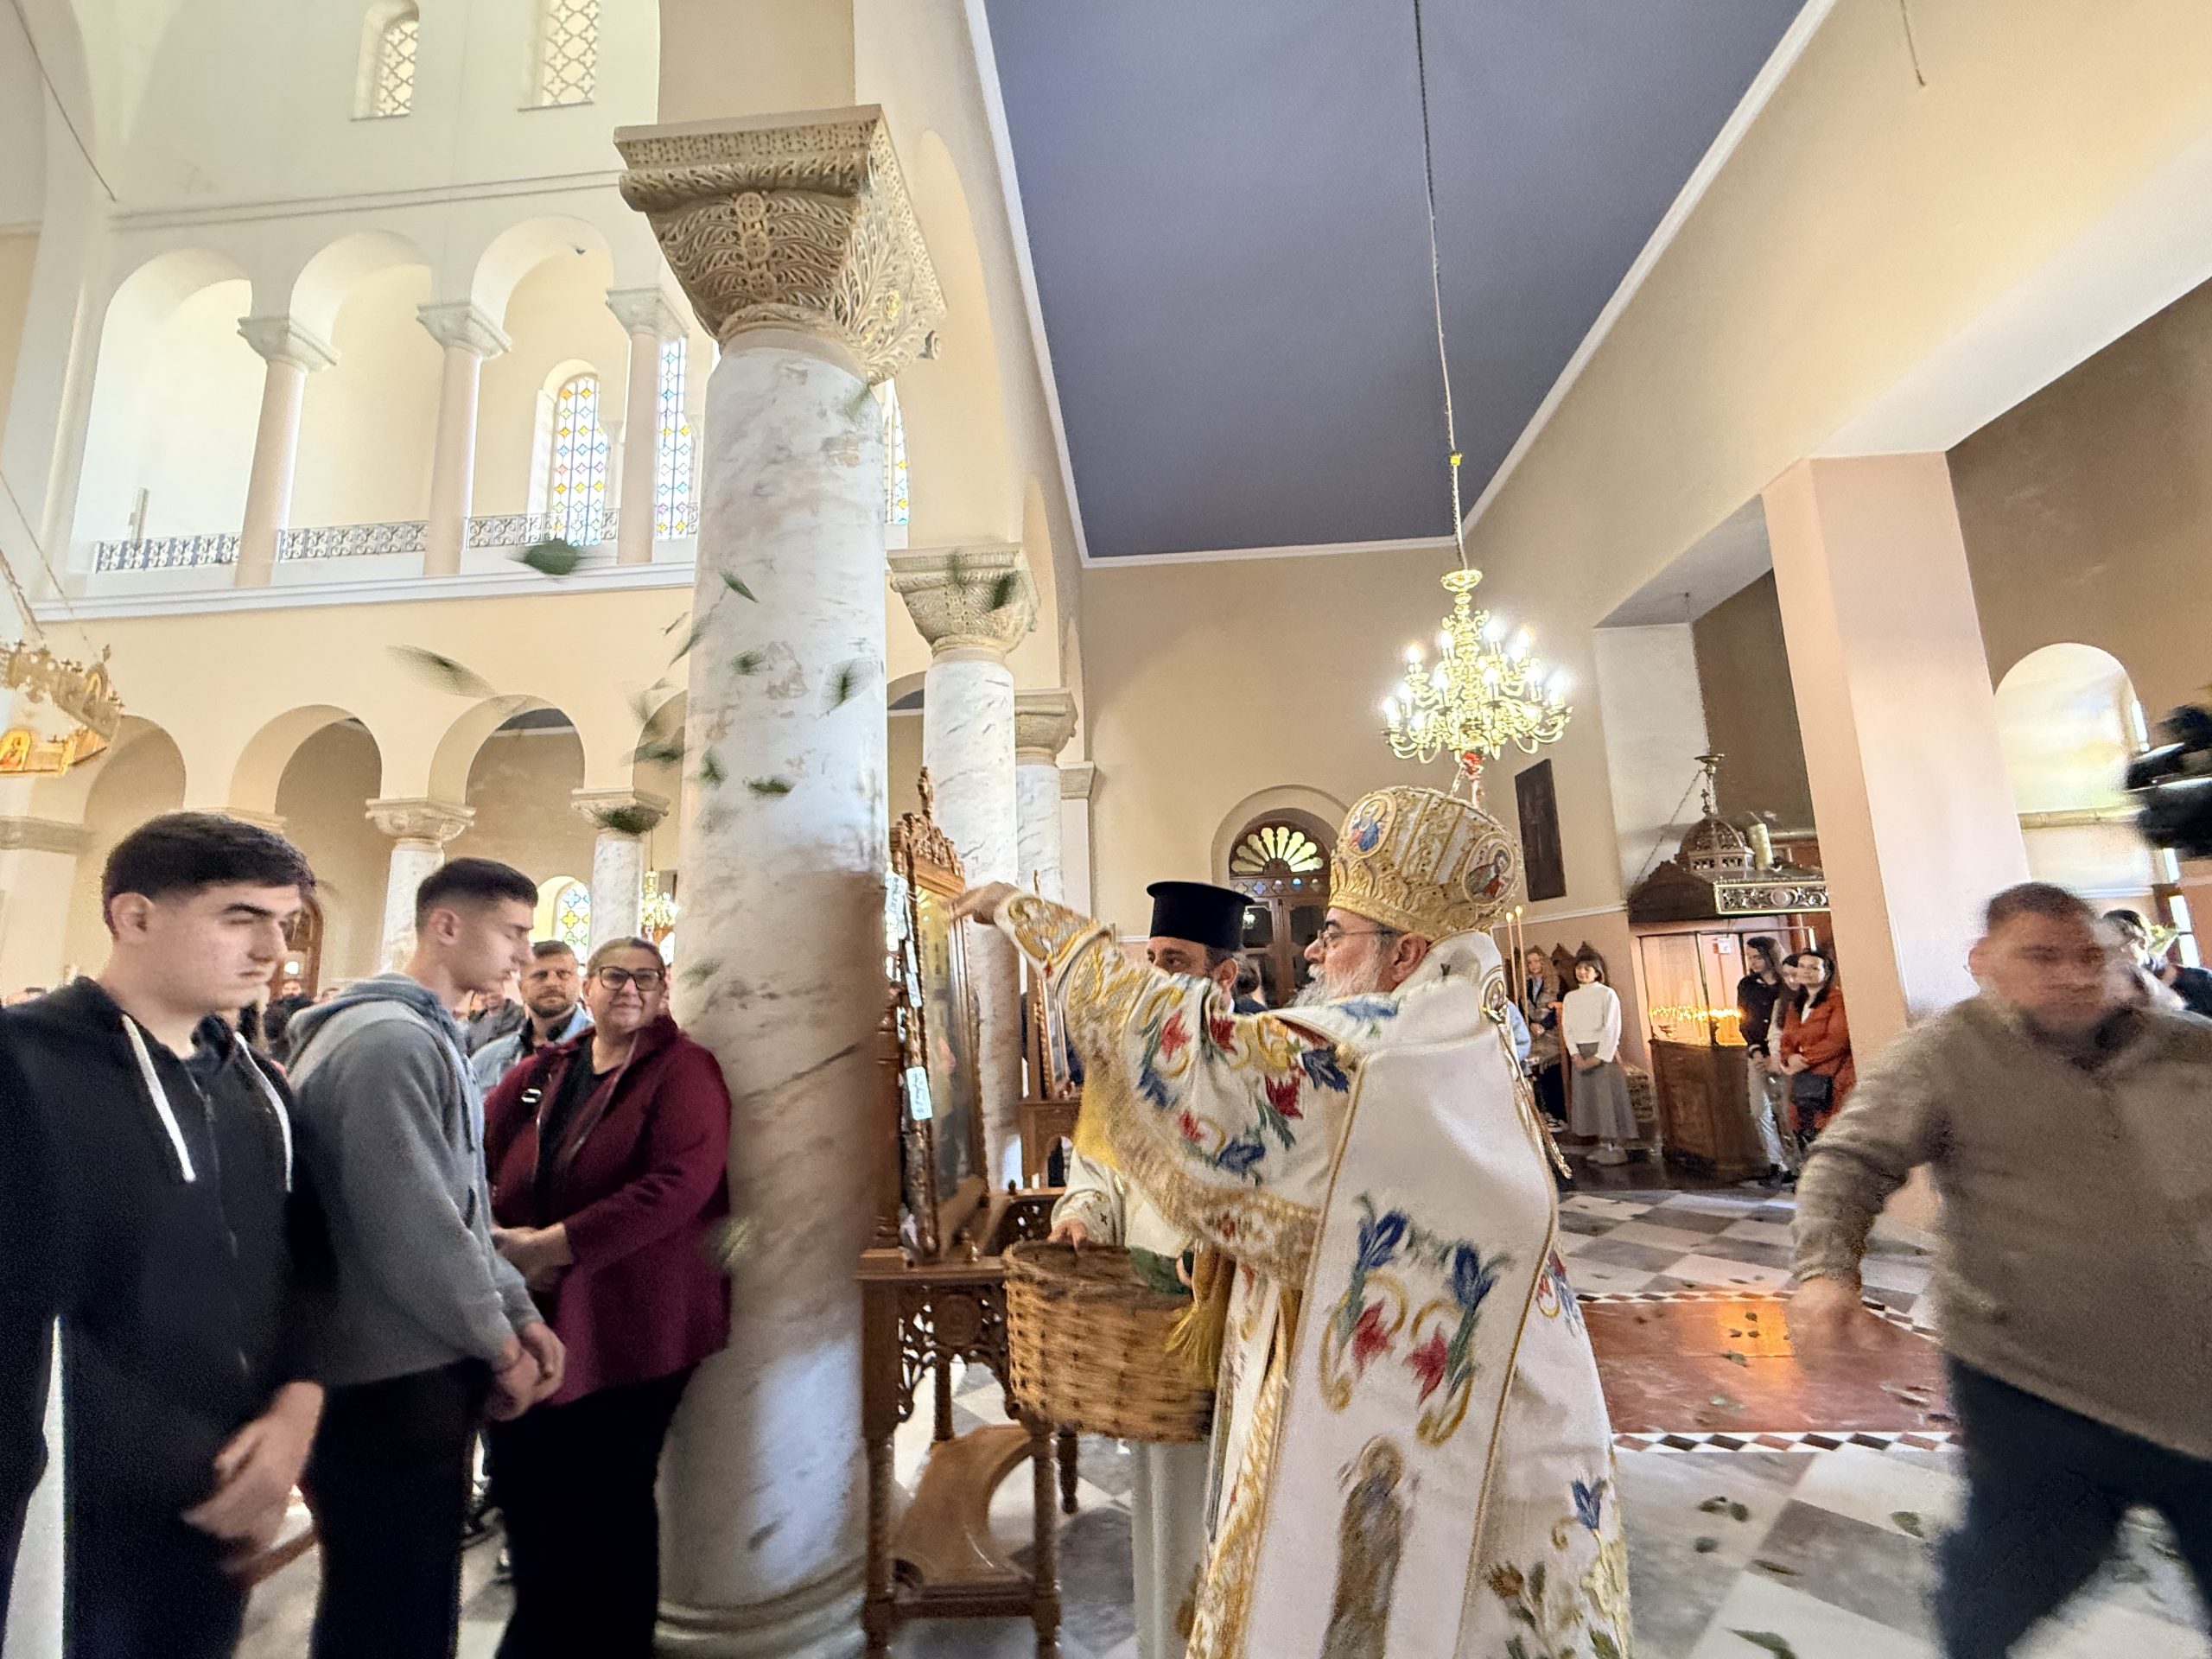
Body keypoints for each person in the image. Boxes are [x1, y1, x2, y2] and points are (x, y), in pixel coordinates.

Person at [962, 785, 1624, 1659]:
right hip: (1487, 1401)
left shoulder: (1381, 1053)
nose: (1313, 949)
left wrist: (1037, 922)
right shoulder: (1459, 1032)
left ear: (1405, 952)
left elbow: (1202, 1060)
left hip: (1464, 1429)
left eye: (1335, 932)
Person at [1790, 882, 2212, 1658]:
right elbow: (1851, 1160)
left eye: (2090, 955)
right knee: (2017, 1575)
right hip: (2036, 1380)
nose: (2074, 976)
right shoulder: (1947, 1053)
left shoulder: (2190, 1048)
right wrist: (1827, 1272)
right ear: (1983, 961)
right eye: (2042, 956)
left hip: (2199, 1383)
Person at [0, 812, 330, 1658]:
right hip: (59, 1516)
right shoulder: (21, 1066)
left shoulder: (257, 1085)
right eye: (240, 917)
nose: (273, 951)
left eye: (283, 923)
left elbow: (311, 1264)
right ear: (135, 916)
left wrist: (294, 1415)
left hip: (217, 1501)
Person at [284, 858, 567, 1659]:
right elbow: (414, 1228)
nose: (523, 953)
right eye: (512, 932)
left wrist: (516, 1310)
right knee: (388, 1612)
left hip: (409, 1363)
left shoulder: (416, 1032)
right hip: (386, 1374)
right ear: (446, 926)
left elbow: (462, 1202)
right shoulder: (389, 1042)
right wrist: (501, 1343)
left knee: (408, 1597)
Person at [481, 937, 730, 1659]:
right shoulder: (546, 1069)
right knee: (529, 1489)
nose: (629, 989)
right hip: (532, 1312)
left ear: (664, 990)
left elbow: (679, 1184)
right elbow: (474, 1149)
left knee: (609, 1499)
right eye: (615, 976)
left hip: (633, 1321)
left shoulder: (684, 1070)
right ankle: (539, 1639)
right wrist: (496, 1243)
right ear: (589, 987)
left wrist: (551, 1245)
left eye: (645, 979)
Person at [1047, 880, 1244, 1659]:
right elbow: (1096, 1175)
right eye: (1153, 957)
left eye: (1177, 961)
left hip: (1242, 1324)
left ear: (1223, 977)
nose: (1156, 973)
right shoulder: (1123, 1067)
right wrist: (1079, 1218)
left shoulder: (1262, 1067)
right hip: (1155, 1328)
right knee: (1168, 1505)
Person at [473, 941, 593, 1089]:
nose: (552, 982)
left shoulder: (604, 1049)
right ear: (521, 987)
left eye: (563, 974)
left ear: (579, 983)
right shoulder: (487, 1061)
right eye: (540, 975)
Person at [1561, 948, 1637, 1166]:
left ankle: (1616, 1147)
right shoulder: (1570, 997)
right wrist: (1575, 1054)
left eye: (1588, 968)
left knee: (1607, 1100)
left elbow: (1611, 1027)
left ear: (1597, 972)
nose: (1582, 972)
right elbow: (1567, 1028)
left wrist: (1599, 1057)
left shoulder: (1607, 994)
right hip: (1580, 1053)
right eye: (1579, 968)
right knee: (1590, 1101)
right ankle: (1602, 1145)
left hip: (1602, 1054)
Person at [1777, 947, 1853, 1152]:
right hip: (1801, 1077)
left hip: (1831, 1074)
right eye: (1802, 966)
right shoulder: (1796, 1005)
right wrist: (1788, 1057)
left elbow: (1837, 1040)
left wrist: (1804, 1059)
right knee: (1802, 1130)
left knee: (1828, 1131)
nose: (1806, 971)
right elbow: (1787, 1038)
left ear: (1826, 973)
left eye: (1813, 968)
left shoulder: (1836, 1000)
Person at [1735, 935, 1795, 1184]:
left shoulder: (1786, 984)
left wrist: (1777, 1054)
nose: (1753, 962)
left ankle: (1794, 1162)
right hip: (1758, 1053)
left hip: (1784, 1053)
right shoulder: (1747, 985)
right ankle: (1775, 1161)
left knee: (1785, 1110)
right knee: (1759, 1109)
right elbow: (1745, 1020)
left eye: (1758, 957)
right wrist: (1757, 1050)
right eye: (1749, 957)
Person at [2105, 907, 2212, 1019]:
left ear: (2142, 943)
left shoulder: (2201, 981)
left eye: (2114, 947)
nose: (2108, 956)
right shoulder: (2107, 993)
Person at [1519, 947, 1566, 1128]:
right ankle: (1543, 1113)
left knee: (1553, 1073)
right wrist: (1532, 1023)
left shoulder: (1557, 983)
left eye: (1537, 961)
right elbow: (1522, 1008)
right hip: (1533, 1035)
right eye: (1529, 962)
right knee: (1534, 1073)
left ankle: (1558, 1114)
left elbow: (1560, 1007)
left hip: (1552, 1034)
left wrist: (1544, 1025)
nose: (1534, 965)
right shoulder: (1525, 985)